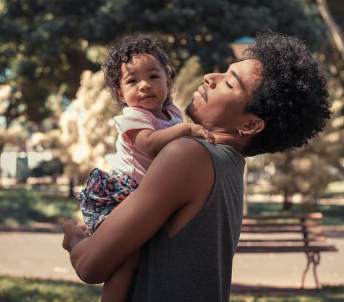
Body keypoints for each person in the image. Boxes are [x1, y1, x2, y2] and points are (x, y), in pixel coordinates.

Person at [63, 30, 331, 302]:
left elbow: (90, 265)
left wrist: (75, 241)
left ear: (249, 125)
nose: (211, 77)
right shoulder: (228, 164)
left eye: (229, 83)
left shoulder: (189, 155)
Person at [75, 34, 214, 301]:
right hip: (120, 194)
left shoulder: (172, 112)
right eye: (132, 81)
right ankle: (74, 239)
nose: (144, 86)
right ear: (120, 93)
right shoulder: (134, 117)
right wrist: (187, 129)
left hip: (147, 194)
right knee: (127, 259)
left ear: (168, 80)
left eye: (153, 77)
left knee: (144, 254)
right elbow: (149, 145)